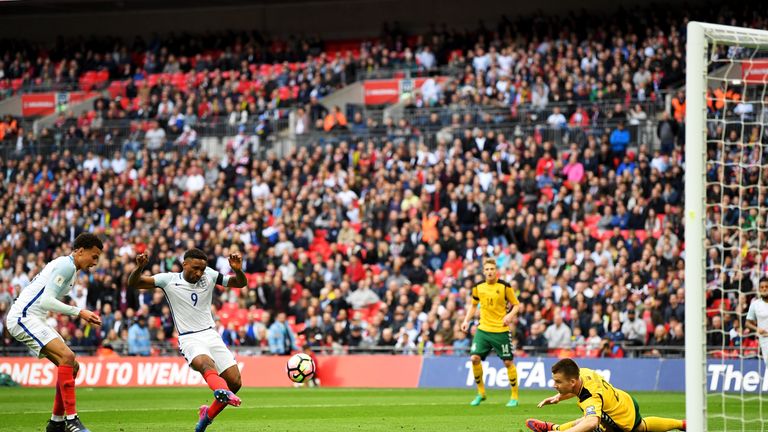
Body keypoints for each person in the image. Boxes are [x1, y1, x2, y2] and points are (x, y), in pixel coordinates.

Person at [127, 248, 247, 432]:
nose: (199, 273)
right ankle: (221, 391)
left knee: (235, 382)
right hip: (189, 337)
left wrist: (237, 270)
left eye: (202, 269)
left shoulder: (209, 275)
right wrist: (139, 268)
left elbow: (239, 283)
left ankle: (207, 415)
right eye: (195, 268)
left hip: (210, 333)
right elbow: (134, 283)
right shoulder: (168, 280)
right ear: (184, 264)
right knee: (206, 364)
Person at [5, 233, 104, 432]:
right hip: (23, 317)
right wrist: (80, 312)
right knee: (67, 356)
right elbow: (46, 301)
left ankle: (56, 423)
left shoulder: (71, 269)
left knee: (71, 365)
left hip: (34, 317)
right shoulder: (66, 266)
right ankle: (72, 420)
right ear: (80, 251)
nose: (95, 262)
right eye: (94, 256)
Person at [526, 358, 686, 432]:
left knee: (587, 425)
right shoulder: (583, 372)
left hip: (620, 422)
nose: (554, 385)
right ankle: (682, 424)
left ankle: (554, 429)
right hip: (625, 401)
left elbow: (590, 423)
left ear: (573, 381)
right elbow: (575, 389)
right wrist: (559, 397)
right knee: (642, 426)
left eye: (558, 382)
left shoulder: (590, 398)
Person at [460, 258, 521, 407]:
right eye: (487, 269)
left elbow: (516, 305)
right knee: (474, 358)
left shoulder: (505, 287)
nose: (489, 272)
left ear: (496, 270)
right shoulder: (478, 288)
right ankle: (481, 393)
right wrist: (466, 321)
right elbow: (473, 306)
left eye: (492, 269)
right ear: (483, 272)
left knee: (508, 362)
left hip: (500, 330)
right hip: (483, 329)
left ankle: (514, 396)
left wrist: (509, 316)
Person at [746, 278, 768, 366]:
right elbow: (747, 323)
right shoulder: (755, 304)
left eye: (766, 286)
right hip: (764, 340)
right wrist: (757, 329)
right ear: (759, 289)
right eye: (762, 287)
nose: (764, 289)